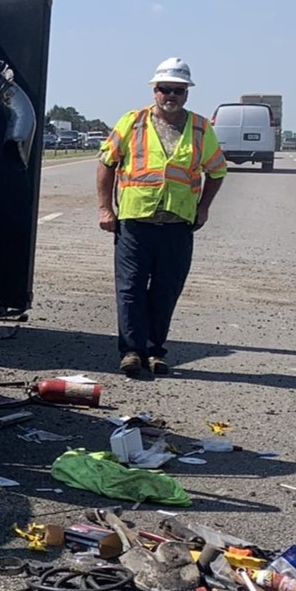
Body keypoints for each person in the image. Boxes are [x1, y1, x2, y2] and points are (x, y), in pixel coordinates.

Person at [96, 57, 227, 377]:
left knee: (166, 289)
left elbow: (217, 170)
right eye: (164, 89)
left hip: (177, 224)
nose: (171, 95)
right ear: (154, 91)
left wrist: (204, 207)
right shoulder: (132, 122)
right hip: (134, 221)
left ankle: (154, 351)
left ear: (187, 94)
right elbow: (106, 163)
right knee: (130, 289)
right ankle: (131, 351)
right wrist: (104, 208)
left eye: (177, 91)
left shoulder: (200, 128)